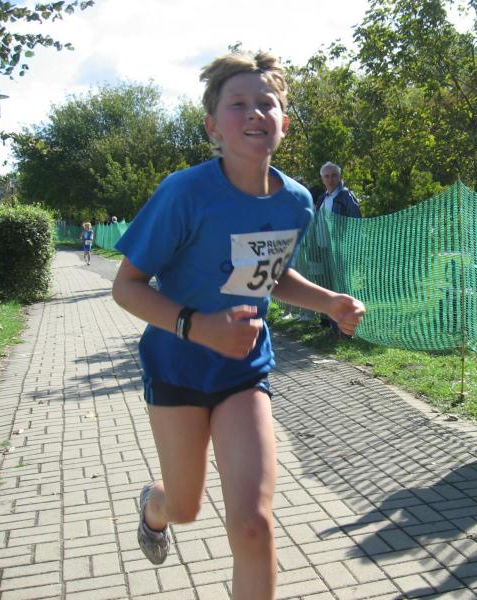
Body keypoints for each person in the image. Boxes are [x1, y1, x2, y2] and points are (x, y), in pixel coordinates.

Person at [111, 51, 366, 599]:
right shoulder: (184, 193)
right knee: (184, 506)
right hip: (177, 368)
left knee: (252, 523)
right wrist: (197, 326)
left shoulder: (296, 201)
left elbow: (265, 276)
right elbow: (126, 286)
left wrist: (330, 302)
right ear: (212, 126)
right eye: (238, 104)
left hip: (243, 372)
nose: (254, 113)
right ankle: (153, 506)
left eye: (266, 104)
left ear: (284, 123)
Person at [314, 162, 361, 333]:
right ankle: (329, 322)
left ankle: (345, 327)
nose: (330, 179)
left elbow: (356, 222)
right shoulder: (322, 198)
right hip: (322, 249)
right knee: (326, 285)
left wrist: (350, 247)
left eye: (334, 175)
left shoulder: (346, 196)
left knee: (341, 287)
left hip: (340, 250)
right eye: (326, 176)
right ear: (322, 179)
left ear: (340, 176)